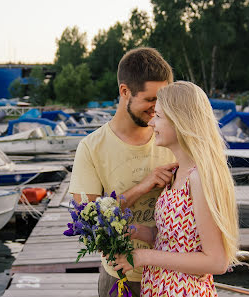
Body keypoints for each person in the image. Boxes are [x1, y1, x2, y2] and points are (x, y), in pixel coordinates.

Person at [112, 81, 239, 297]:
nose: (151, 122)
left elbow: (217, 261)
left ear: (181, 122)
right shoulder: (177, 172)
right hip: (159, 288)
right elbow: (176, 241)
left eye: (158, 116)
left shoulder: (199, 177)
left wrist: (144, 257)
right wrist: (139, 232)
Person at [69, 47, 177, 297]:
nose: (156, 108)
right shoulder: (91, 148)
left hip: (172, 275)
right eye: (150, 100)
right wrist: (143, 186)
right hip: (123, 280)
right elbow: (89, 221)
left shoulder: (173, 139)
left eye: (162, 101)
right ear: (125, 91)